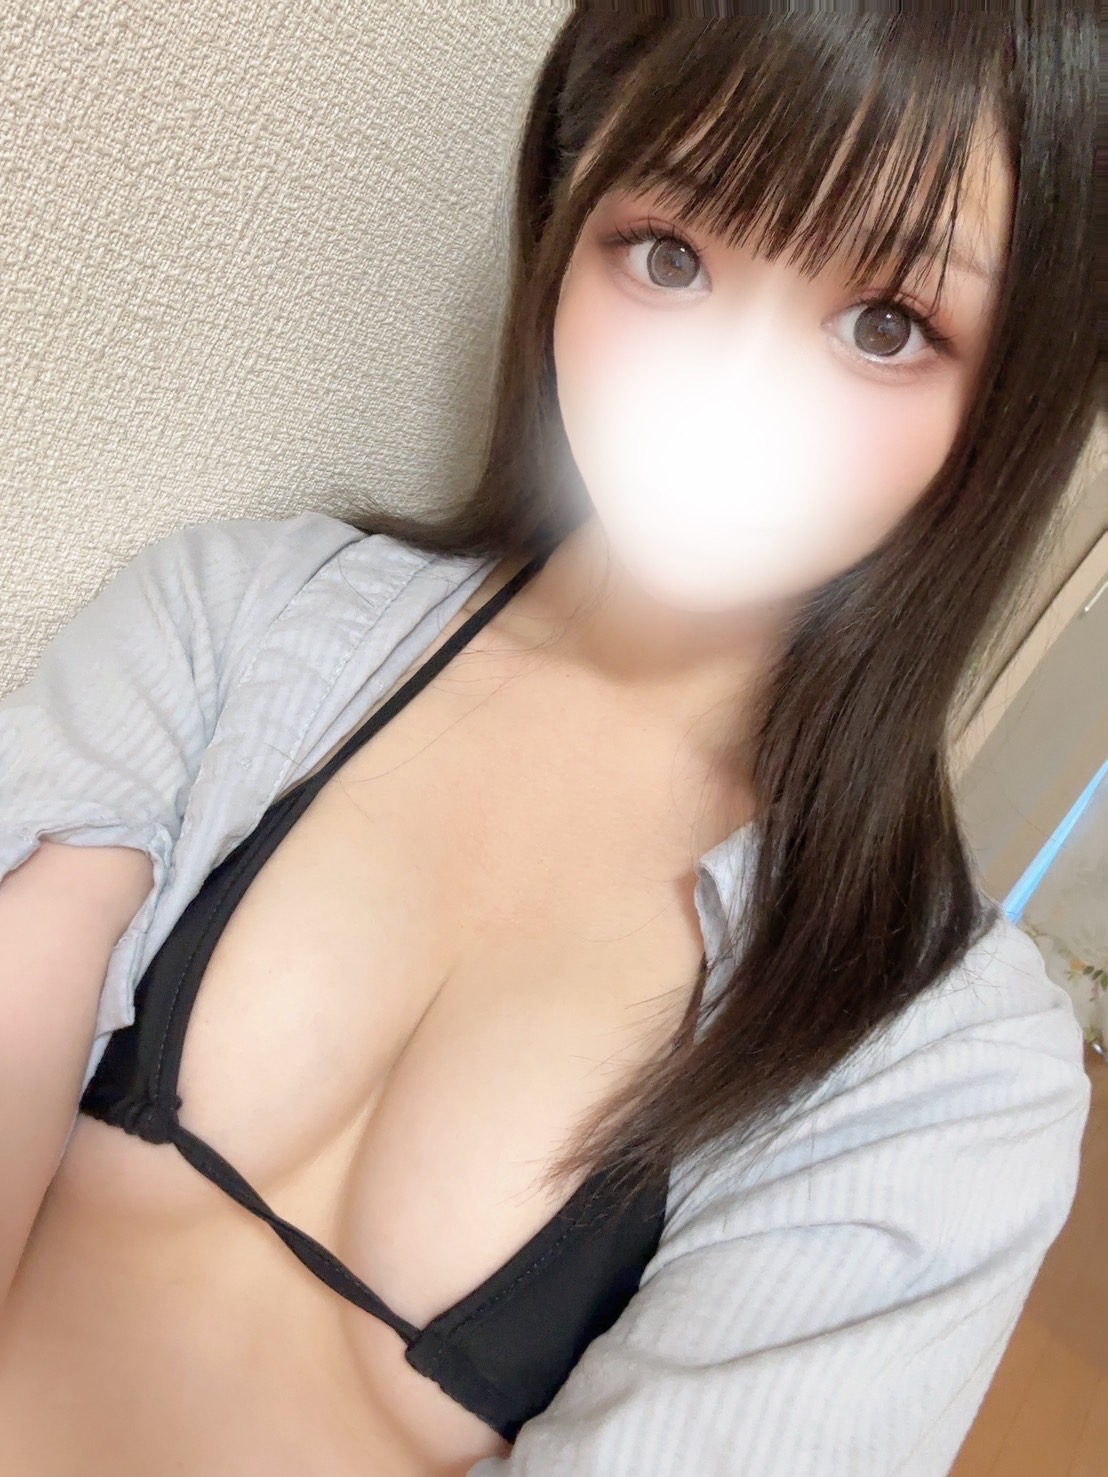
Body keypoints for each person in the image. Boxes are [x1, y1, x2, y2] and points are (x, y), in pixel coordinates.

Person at [0, 7, 1100, 1476]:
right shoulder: (236, 624)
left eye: (886, 325)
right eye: (670, 254)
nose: (729, 392)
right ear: (569, 205)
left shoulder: (942, 1069)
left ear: (1014, 398)